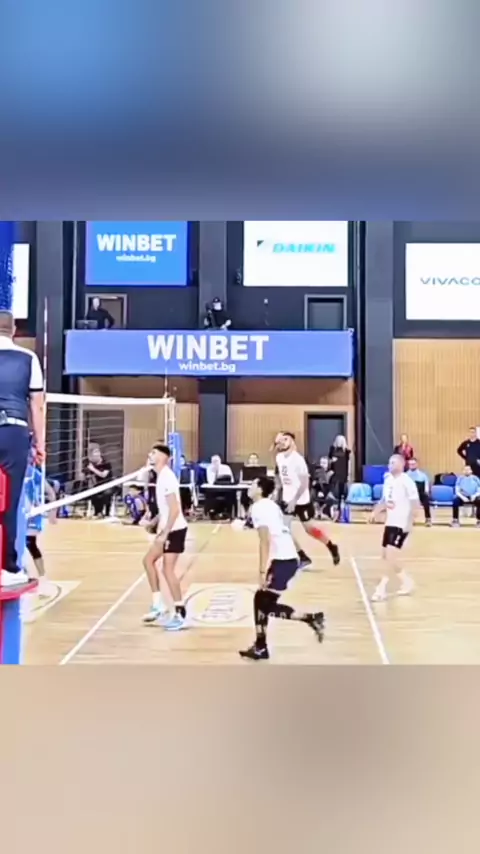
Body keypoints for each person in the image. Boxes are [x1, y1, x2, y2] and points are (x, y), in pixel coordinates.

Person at [239, 477, 325, 661]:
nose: (249, 487)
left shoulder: (259, 508)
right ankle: (261, 646)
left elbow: (265, 540)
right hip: (287, 558)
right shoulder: (271, 506)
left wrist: (262, 572)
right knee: (262, 601)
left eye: (253, 484)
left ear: (260, 489)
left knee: (263, 603)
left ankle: (309, 618)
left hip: (283, 560)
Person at [0, 310, 45, 587]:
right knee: (10, 501)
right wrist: (40, 444)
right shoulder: (29, 358)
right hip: (13, 432)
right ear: (14, 330)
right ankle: (8, 567)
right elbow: (37, 406)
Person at [275, 432, 340, 570]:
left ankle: (331, 546)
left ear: (292, 442)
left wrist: (294, 500)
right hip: (287, 499)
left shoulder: (298, 460)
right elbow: (280, 478)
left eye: (286, 439)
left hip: (301, 500)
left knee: (310, 529)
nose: (283, 441)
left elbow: (305, 483)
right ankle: (302, 557)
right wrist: (277, 493)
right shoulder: (279, 458)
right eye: (281, 439)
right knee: (283, 530)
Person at [142, 443, 189, 631]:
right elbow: (165, 509)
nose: (150, 455)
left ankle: (180, 613)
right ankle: (158, 605)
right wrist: (153, 522)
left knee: (168, 570)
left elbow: (175, 509)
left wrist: (165, 534)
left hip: (175, 530)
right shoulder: (160, 476)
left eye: (153, 453)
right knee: (148, 561)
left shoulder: (168, 477)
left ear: (163, 457)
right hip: (166, 528)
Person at [370, 454, 419, 602]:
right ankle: (407, 582)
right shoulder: (388, 480)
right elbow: (385, 501)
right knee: (386, 556)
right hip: (390, 522)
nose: (389, 465)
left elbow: (415, 503)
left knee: (390, 555)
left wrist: (409, 523)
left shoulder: (407, 481)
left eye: (393, 462)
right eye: (389, 462)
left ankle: (381, 588)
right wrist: (375, 512)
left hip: (401, 523)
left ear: (401, 465)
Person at [24, 447, 57, 594]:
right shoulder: (13, 471)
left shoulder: (35, 474)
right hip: (19, 513)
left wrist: (52, 512)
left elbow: (51, 492)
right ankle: (22, 573)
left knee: (30, 544)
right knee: (15, 544)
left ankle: (42, 576)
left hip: (32, 514)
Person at [85, 445, 113, 517]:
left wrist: (93, 469)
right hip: (97, 484)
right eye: (94, 455)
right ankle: (97, 512)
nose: (95, 457)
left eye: (97, 454)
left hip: (108, 484)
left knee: (106, 494)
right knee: (93, 493)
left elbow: (103, 475)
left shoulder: (106, 463)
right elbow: (88, 475)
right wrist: (88, 475)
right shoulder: (92, 464)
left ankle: (107, 513)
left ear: (100, 454)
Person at [204, 455, 235, 519]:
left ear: (220, 461)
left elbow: (232, 480)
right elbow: (210, 481)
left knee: (231, 494)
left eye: (217, 461)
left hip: (226, 489)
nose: (215, 463)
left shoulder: (226, 467)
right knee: (209, 494)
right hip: (214, 490)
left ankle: (228, 513)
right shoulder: (209, 468)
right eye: (213, 461)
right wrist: (215, 471)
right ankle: (211, 512)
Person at [328, 435, 351, 513]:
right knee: (334, 486)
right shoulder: (332, 449)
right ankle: (333, 503)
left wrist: (348, 474)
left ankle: (339, 506)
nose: (339, 442)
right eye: (338, 441)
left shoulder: (346, 451)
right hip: (335, 472)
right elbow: (329, 460)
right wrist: (332, 461)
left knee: (341, 489)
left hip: (343, 472)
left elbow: (348, 463)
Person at [407, 459, 432, 526]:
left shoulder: (422, 475)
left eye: (413, 464)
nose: (411, 466)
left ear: (416, 464)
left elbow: (426, 485)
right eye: (410, 464)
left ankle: (428, 519)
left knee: (426, 500)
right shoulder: (406, 475)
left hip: (420, 493)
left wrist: (426, 491)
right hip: (410, 494)